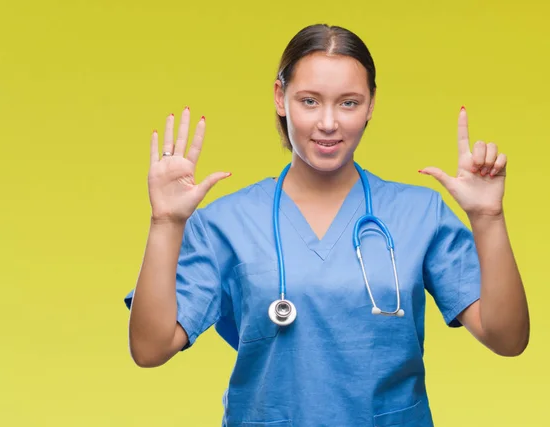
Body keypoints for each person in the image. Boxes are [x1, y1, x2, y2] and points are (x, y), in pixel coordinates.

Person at [124, 24, 530, 426]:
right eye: (310, 101)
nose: (329, 123)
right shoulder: (227, 222)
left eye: (349, 103)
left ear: (371, 104)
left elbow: (508, 339)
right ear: (281, 98)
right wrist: (165, 221)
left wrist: (488, 218)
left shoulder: (419, 212)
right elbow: (150, 348)